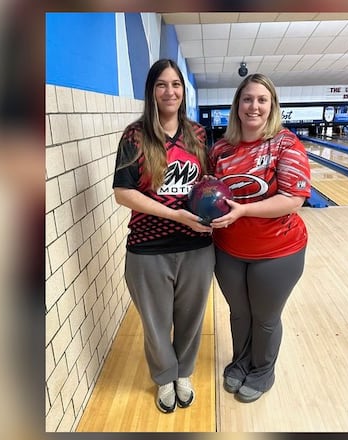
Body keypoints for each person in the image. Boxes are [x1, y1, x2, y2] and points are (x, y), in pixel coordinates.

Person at [112, 59, 215, 414]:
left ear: (183, 92)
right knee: (156, 324)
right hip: (147, 247)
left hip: (197, 247)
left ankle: (183, 373)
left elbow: (211, 186)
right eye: (161, 84)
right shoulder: (135, 135)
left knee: (191, 318)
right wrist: (175, 214)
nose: (170, 92)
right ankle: (164, 377)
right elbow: (123, 192)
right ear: (151, 91)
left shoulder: (198, 135)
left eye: (176, 84)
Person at [207, 73, 312, 403]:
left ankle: (262, 369)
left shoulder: (286, 144)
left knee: (265, 318)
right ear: (237, 105)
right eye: (247, 99)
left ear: (272, 106)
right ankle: (240, 362)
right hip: (229, 249)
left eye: (261, 100)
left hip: (277, 250)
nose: (254, 106)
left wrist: (242, 211)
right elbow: (212, 191)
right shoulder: (221, 149)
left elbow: (294, 199)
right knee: (239, 313)